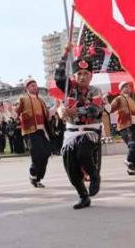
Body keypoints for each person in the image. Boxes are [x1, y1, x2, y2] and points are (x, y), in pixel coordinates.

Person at [55, 51, 104, 210]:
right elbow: (59, 77)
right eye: (79, 74)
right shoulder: (69, 89)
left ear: (91, 76)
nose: (82, 77)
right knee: (69, 164)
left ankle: (94, 175)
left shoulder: (95, 91)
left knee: (83, 150)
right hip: (71, 132)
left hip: (90, 131)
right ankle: (83, 196)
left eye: (85, 73)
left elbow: (95, 110)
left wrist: (76, 111)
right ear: (74, 76)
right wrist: (64, 55)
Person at [15, 78, 52, 188]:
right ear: (27, 88)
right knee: (37, 154)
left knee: (46, 153)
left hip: (41, 130)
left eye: (35, 85)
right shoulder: (23, 99)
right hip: (29, 131)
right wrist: (8, 111)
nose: (35, 87)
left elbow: (48, 116)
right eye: (32, 86)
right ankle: (33, 173)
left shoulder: (41, 100)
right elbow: (15, 112)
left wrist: (58, 106)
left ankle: (38, 178)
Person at [110, 82, 135, 175]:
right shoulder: (119, 98)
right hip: (126, 125)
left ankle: (132, 168)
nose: (128, 88)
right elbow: (110, 109)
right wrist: (105, 103)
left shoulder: (132, 99)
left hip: (134, 124)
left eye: (128, 86)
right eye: (126, 86)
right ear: (122, 89)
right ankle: (129, 160)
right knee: (134, 143)